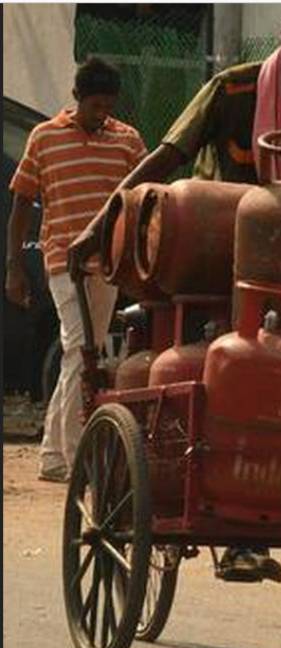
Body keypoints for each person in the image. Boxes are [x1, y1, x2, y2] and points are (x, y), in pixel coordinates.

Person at [67, 3, 281, 585]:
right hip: (215, 266)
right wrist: (100, 224)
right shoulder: (232, 90)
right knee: (245, 377)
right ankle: (239, 529)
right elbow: (166, 159)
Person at [6, 57, 147, 483]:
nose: (101, 113)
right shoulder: (44, 137)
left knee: (83, 351)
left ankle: (52, 456)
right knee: (81, 350)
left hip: (105, 265)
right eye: (94, 105)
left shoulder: (127, 141)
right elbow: (19, 205)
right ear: (77, 99)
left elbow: (141, 201)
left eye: (108, 105)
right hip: (62, 261)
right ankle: (72, 458)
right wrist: (14, 266)